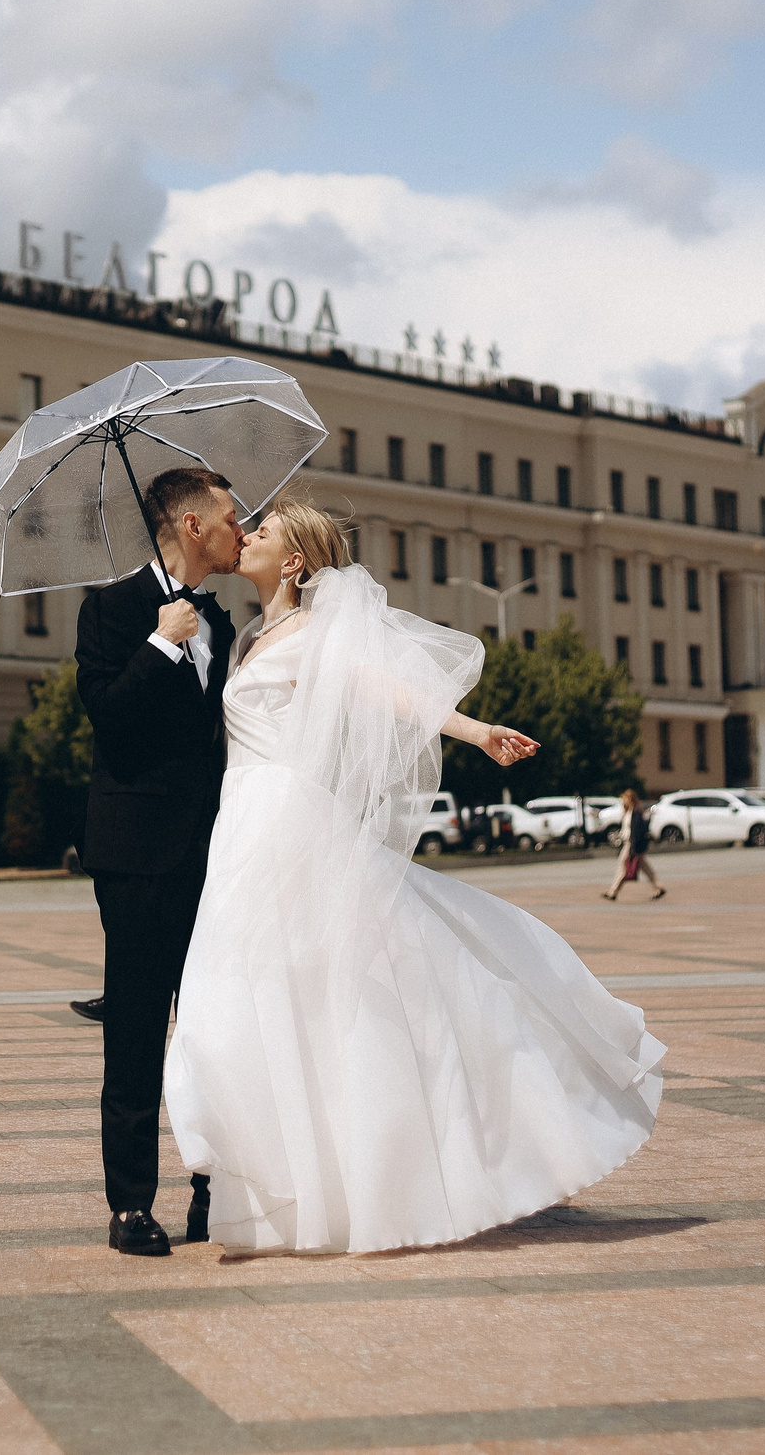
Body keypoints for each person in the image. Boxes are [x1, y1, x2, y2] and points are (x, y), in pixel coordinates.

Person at [164, 499, 666, 1256]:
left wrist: (475, 731)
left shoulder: (314, 632)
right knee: (262, 992)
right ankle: (279, 1180)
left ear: (295, 561)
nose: (247, 536)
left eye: (262, 532)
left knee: (273, 988)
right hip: (243, 823)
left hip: (286, 822)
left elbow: (390, 690)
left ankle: (257, 1144)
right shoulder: (243, 639)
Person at [74, 466, 242, 1257]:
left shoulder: (226, 623)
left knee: (214, 1028)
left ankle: (213, 1191)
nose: (242, 530)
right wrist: (157, 643)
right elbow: (108, 721)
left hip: (215, 855)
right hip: (136, 855)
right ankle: (131, 1206)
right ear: (191, 526)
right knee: (139, 1029)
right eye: (231, 517)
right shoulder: (111, 609)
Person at [603, 787, 663, 901]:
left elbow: (636, 831)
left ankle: (613, 891)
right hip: (629, 843)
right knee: (645, 868)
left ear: (630, 799)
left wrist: (633, 848)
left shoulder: (636, 812)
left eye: (624, 799)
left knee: (622, 866)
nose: (623, 801)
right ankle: (659, 887)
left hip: (632, 844)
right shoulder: (628, 812)